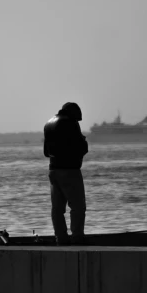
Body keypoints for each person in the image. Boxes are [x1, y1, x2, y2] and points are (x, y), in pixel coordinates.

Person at [43, 102, 89, 245]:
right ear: (74, 114)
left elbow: (46, 152)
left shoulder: (48, 124)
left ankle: (61, 239)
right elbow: (82, 148)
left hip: (53, 170)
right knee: (77, 207)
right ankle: (77, 238)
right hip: (70, 170)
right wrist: (83, 140)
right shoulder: (70, 123)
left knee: (57, 208)